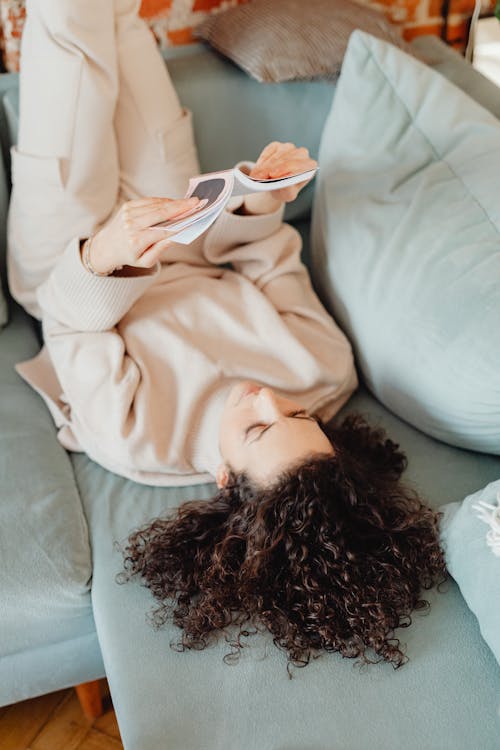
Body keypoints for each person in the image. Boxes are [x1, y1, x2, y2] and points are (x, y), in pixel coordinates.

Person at [8, 0, 447, 672]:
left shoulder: (138, 439)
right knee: (122, 27)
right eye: (298, 416)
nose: (267, 396)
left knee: (69, 33)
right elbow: (264, 255)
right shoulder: (325, 370)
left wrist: (111, 253)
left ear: (221, 478)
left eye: (256, 429)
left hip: (74, 257)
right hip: (181, 225)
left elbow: (69, 321)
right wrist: (262, 200)